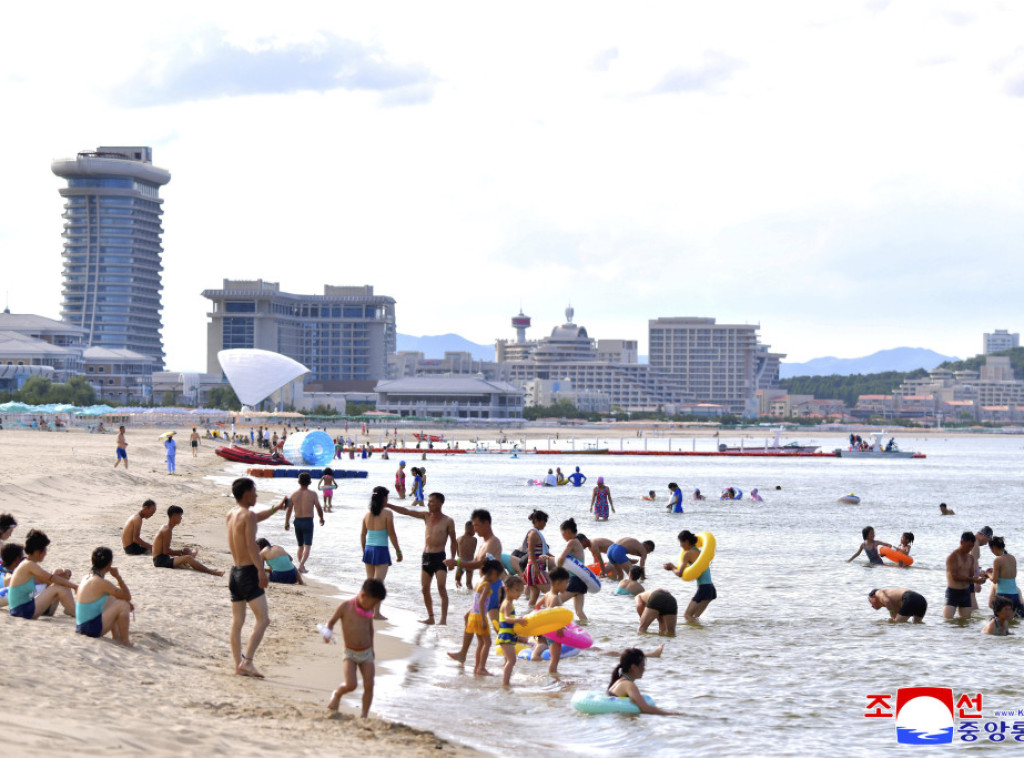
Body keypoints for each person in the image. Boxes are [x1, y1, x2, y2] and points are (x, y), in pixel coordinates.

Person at [227, 477, 280, 678]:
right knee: (263, 619)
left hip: (235, 572)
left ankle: (237, 665)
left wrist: (276, 508)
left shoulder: (232, 514)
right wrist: (261, 570)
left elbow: (255, 519)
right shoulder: (247, 515)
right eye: (255, 491)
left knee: (238, 621)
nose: (256, 495)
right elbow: (251, 545)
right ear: (246, 493)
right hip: (249, 572)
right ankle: (247, 661)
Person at [385, 491, 457, 625]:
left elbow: (454, 541)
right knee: (424, 589)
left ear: (440, 503)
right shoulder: (426, 516)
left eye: (432, 501)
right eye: (429, 501)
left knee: (441, 587)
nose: (429, 503)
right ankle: (431, 617)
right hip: (426, 557)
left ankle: (443, 620)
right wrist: (388, 505)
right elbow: (406, 511)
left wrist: (453, 559)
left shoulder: (448, 521)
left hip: (440, 558)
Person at [445, 509, 503, 665]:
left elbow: (479, 564)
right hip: (485, 589)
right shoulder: (483, 542)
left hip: (492, 589)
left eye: (477, 525)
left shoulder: (493, 542)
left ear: (487, 523)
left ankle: (516, 652)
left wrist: (456, 562)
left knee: (497, 627)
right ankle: (464, 654)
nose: (475, 529)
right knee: (475, 620)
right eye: (474, 526)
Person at [325, 578, 388, 717]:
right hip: (350, 653)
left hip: (366, 652)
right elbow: (331, 622)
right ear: (363, 595)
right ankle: (338, 693)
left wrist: (371, 647)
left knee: (369, 684)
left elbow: (369, 628)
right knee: (351, 685)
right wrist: (327, 633)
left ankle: (364, 715)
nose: (374, 606)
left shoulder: (368, 609)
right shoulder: (345, 607)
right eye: (373, 603)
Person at [3, 530, 77, 619]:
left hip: (23, 608)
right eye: (45, 549)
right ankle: (79, 614)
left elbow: (49, 580)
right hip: (21, 611)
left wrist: (65, 575)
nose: (46, 553)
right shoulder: (28, 565)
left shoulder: (29, 564)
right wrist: (75, 586)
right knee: (58, 587)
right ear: (38, 551)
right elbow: (52, 579)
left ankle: (71, 609)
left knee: (60, 584)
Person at [75, 547, 133, 645]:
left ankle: (116, 636)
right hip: (90, 629)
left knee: (113, 598)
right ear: (110, 564)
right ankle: (125, 641)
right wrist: (118, 577)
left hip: (81, 626)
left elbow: (117, 596)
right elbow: (127, 596)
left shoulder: (87, 577)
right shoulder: (101, 582)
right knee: (123, 605)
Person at [361, 486, 402, 620]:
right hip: (381, 550)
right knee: (378, 584)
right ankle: (376, 613)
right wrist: (398, 551)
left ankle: (366, 609)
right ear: (384, 498)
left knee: (370, 581)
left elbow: (362, 535)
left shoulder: (367, 515)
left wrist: (364, 551)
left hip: (369, 549)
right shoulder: (387, 513)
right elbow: (392, 533)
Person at [460, 558, 502, 676]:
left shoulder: (479, 582)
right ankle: (481, 668)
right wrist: (484, 619)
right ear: (492, 572)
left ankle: (477, 667)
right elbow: (482, 602)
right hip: (479, 617)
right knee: (487, 643)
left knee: (481, 643)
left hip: (473, 614)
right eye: (497, 575)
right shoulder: (487, 585)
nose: (498, 579)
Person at [152, 506, 223, 575]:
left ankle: (191, 556)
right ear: (174, 516)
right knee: (188, 558)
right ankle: (210, 571)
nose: (181, 518)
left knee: (185, 557)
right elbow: (166, 551)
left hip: (160, 559)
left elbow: (165, 551)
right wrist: (182, 552)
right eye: (180, 516)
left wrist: (182, 552)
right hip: (160, 561)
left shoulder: (165, 527)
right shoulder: (167, 530)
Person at [664, 529, 716, 622]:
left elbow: (680, 574)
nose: (680, 545)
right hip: (711, 589)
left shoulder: (687, 554)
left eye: (681, 542)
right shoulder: (698, 552)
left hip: (704, 589)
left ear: (687, 541)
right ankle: (701, 635)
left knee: (687, 616)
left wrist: (672, 567)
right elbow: (685, 570)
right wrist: (674, 567)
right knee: (695, 617)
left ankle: (698, 634)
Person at [606, 648, 678, 715]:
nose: (644, 669)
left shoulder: (619, 681)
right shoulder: (629, 685)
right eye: (642, 666)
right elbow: (645, 708)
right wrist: (672, 714)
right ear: (633, 667)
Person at [528, 566, 571, 673]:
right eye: (566, 583)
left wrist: (538, 618)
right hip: (553, 631)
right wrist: (560, 628)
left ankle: (550, 671)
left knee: (551, 654)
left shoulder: (547, 594)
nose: (567, 585)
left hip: (547, 629)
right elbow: (550, 614)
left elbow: (537, 605)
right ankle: (553, 676)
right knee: (555, 659)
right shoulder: (555, 598)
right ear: (558, 583)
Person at [283, 472, 325, 574]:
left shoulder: (293, 494)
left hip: (297, 521)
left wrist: (286, 522)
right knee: (307, 546)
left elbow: (289, 510)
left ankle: (302, 566)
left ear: (299, 482)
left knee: (300, 546)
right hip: (308, 521)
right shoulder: (313, 494)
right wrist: (321, 518)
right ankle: (301, 566)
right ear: (309, 482)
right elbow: (318, 507)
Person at [943, 531, 985, 619]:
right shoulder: (953, 556)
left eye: (972, 546)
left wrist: (982, 577)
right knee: (947, 620)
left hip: (965, 593)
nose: (969, 549)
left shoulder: (971, 558)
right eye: (968, 546)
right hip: (953, 592)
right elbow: (955, 576)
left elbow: (971, 576)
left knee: (966, 622)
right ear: (962, 542)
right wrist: (974, 580)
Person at [556, 517, 590, 623]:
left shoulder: (572, 542)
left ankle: (558, 626)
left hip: (574, 581)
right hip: (581, 581)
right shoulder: (578, 542)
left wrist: (557, 571)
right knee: (579, 612)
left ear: (567, 531)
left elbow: (562, 558)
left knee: (555, 602)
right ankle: (586, 631)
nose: (562, 536)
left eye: (562, 534)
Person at [496, 575, 528, 686]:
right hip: (505, 636)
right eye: (517, 590)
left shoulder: (508, 603)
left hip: (508, 635)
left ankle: (505, 681)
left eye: (521, 591)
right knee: (512, 661)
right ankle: (505, 683)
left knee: (507, 660)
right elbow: (507, 618)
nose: (519, 593)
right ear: (507, 589)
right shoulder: (507, 604)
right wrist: (518, 620)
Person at [518, 509, 552, 607]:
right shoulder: (533, 534)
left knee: (534, 597)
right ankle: (550, 613)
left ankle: (529, 615)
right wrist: (536, 567)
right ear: (537, 520)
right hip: (535, 567)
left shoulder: (536, 533)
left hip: (533, 567)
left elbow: (543, 551)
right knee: (550, 592)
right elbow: (530, 551)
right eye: (544, 521)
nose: (545, 524)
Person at [986, 536, 1024, 617]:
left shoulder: (997, 560)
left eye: (991, 550)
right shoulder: (1012, 558)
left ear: (993, 547)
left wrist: (987, 574)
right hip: (1015, 595)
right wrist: (995, 570)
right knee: (1013, 622)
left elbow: (994, 580)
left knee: (1001, 623)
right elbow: (1011, 574)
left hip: (1003, 597)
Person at [971, 526, 993, 610]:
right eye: (987, 540)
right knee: (974, 610)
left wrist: (979, 571)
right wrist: (976, 581)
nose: (986, 543)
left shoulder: (971, 540)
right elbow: (973, 563)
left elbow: (971, 563)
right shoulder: (975, 544)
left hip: (964, 577)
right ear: (984, 536)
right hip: (968, 580)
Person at [454, 520, 477, 590]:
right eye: (474, 530)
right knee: (469, 583)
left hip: (461, 561)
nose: (475, 532)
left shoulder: (458, 539)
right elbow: (473, 550)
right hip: (470, 562)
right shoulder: (474, 540)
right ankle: (469, 597)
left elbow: (458, 553)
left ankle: (460, 595)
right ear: (470, 530)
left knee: (457, 580)